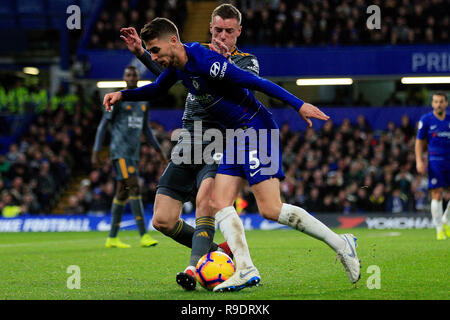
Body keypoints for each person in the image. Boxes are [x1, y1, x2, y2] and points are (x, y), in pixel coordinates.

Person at [103, 17, 361, 292]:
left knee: (271, 209)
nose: (154, 56)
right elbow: (156, 88)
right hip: (236, 135)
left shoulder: (205, 61)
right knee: (218, 201)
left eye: (155, 50)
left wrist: (298, 104)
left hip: (256, 129)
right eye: (150, 52)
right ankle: (245, 267)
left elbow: (255, 81)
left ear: (173, 41)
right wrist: (122, 95)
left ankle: (340, 243)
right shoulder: (179, 66)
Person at [119, 4, 254, 290]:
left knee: (206, 199)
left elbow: (243, 97)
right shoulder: (194, 55)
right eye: (218, 30)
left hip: (221, 141)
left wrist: (224, 66)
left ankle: (194, 268)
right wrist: (142, 53)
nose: (222, 36)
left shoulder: (246, 62)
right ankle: (217, 251)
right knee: (163, 220)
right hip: (189, 141)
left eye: (229, 31)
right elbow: (164, 76)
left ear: (238, 32)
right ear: (210, 28)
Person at [92, 65, 166, 248]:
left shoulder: (143, 101)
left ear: (138, 78)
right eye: (128, 74)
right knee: (133, 187)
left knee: (122, 191)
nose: (131, 77)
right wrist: (96, 150)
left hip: (133, 153)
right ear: (124, 78)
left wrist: (158, 151)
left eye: (134, 74)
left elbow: (146, 129)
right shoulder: (117, 99)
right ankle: (143, 235)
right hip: (120, 152)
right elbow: (103, 125)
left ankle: (112, 238)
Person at [415, 92, 450, 240]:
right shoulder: (426, 120)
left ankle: (446, 219)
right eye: (436, 102)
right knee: (437, 193)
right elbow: (419, 142)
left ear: (446, 103)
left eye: (441, 102)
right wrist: (419, 160)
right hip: (435, 160)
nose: (438, 104)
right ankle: (439, 230)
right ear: (432, 104)